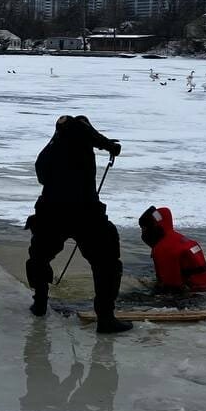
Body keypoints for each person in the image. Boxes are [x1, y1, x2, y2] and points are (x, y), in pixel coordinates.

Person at [25, 114, 130, 334]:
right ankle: (106, 318)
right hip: (85, 213)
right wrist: (111, 147)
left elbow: (42, 175)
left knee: (39, 256)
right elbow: (93, 136)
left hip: (51, 211)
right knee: (107, 263)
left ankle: (40, 303)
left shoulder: (51, 148)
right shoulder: (82, 134)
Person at [138, 206, 206, 291]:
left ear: (153, 228)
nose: (142, 233)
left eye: (144, 228)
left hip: (196, 293)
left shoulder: (164, 248)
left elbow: (171, 287)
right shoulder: (181, 239)